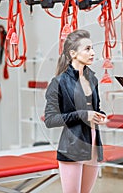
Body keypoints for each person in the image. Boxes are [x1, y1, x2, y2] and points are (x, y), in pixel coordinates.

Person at [44, 29, 107, 193]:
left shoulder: (92, 78)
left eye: (92, 48)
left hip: (93, 144)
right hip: (72, 147)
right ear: (73, 53)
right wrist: (83, 115)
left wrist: (101, 116)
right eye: (87, 49)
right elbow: (50, 120)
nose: (93, 53)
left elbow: (96, 109)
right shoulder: (58, 82)